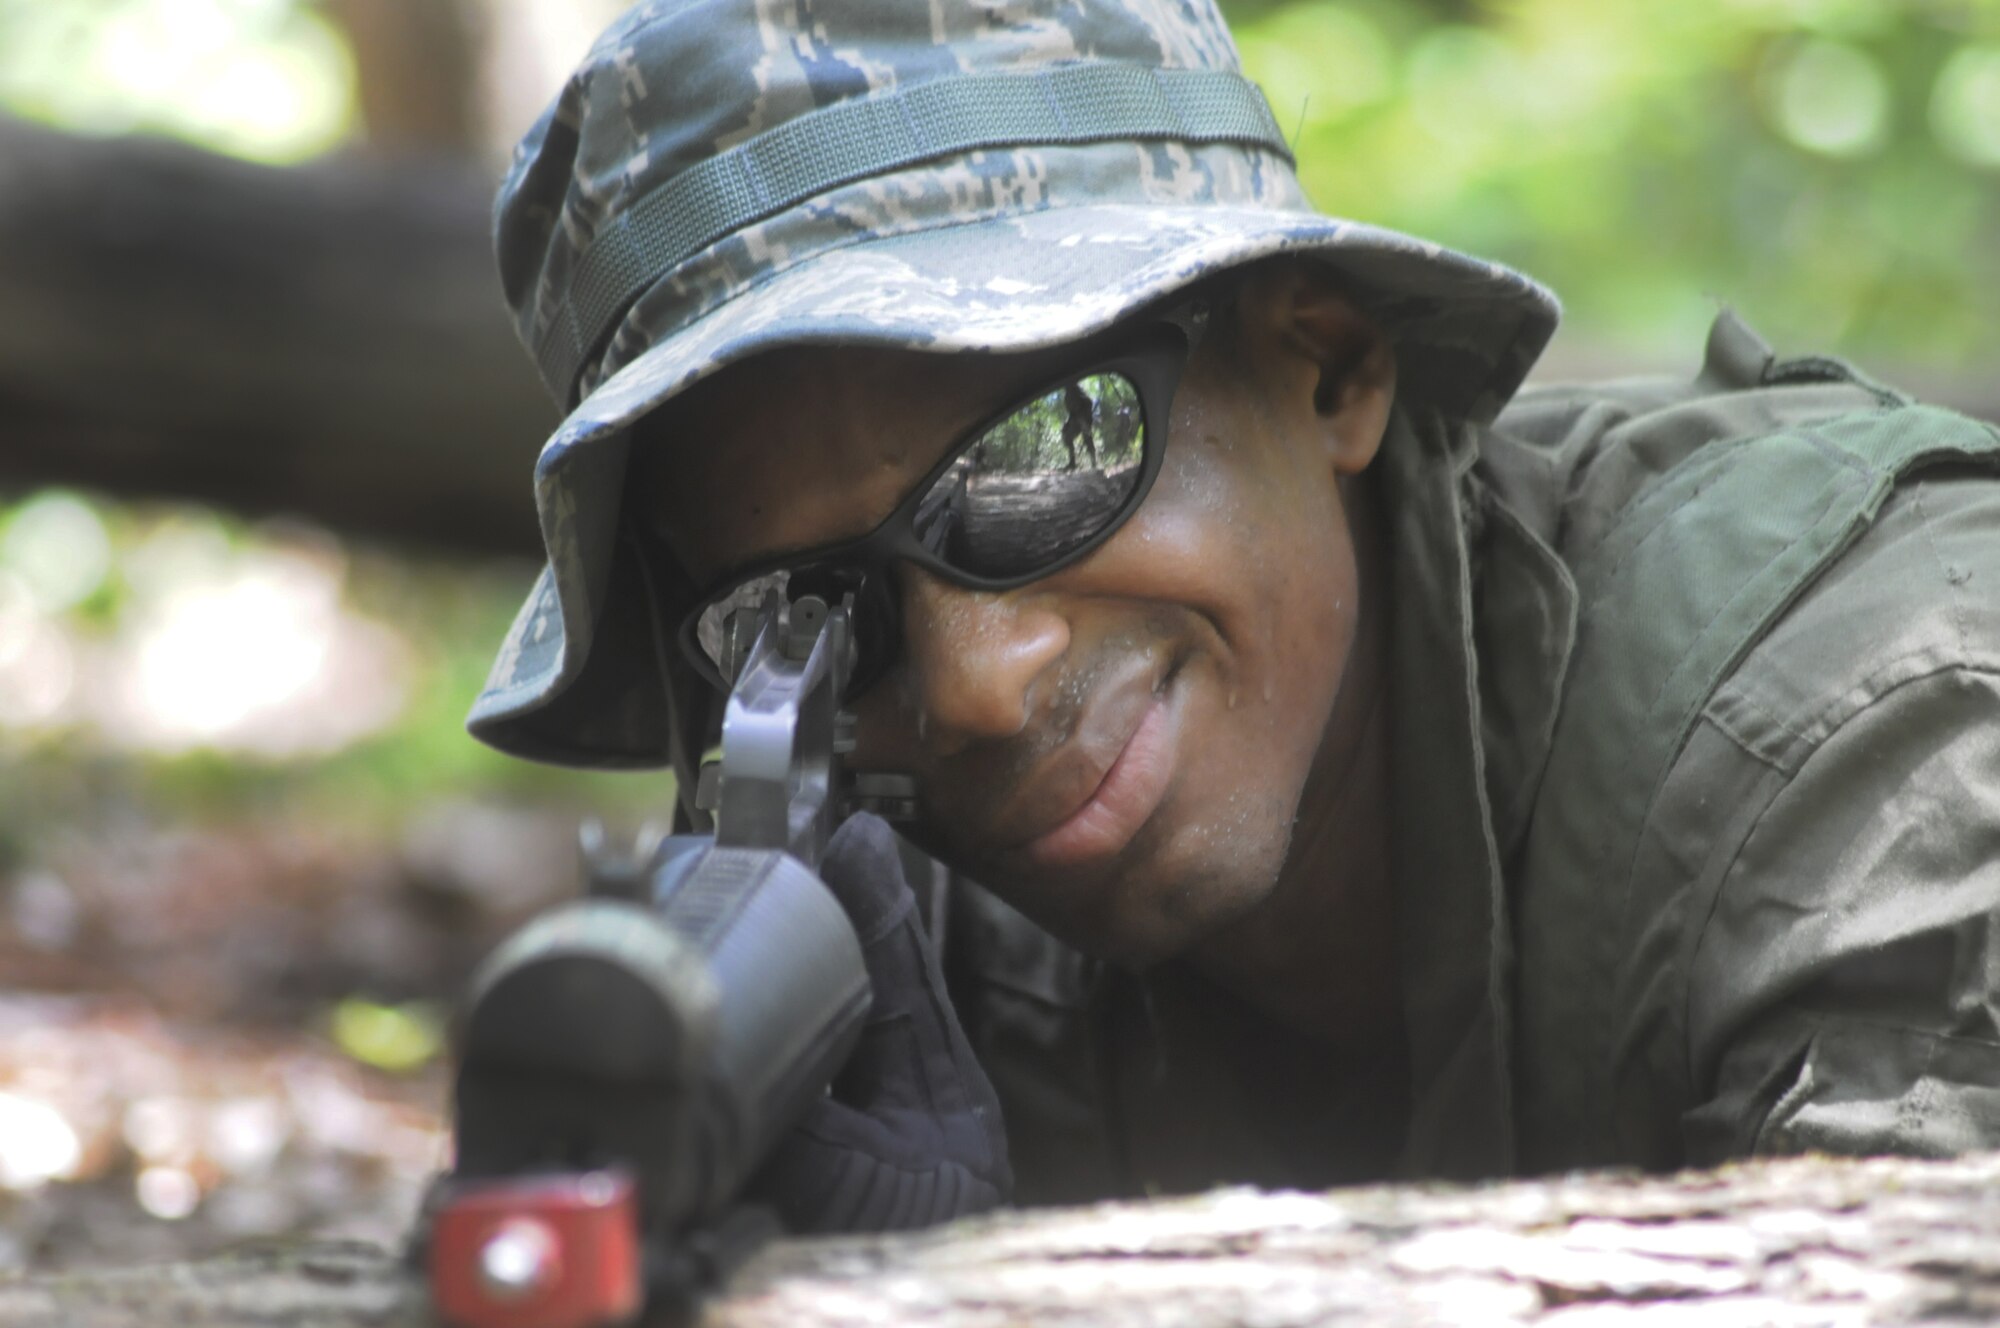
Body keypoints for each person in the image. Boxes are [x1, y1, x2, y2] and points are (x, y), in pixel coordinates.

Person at [466, 0, 2000, 1228]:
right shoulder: (892, 952)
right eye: (813, 616)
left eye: (1038, 464)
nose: (979, 684)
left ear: (1327, 367)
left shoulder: (1860, 729)